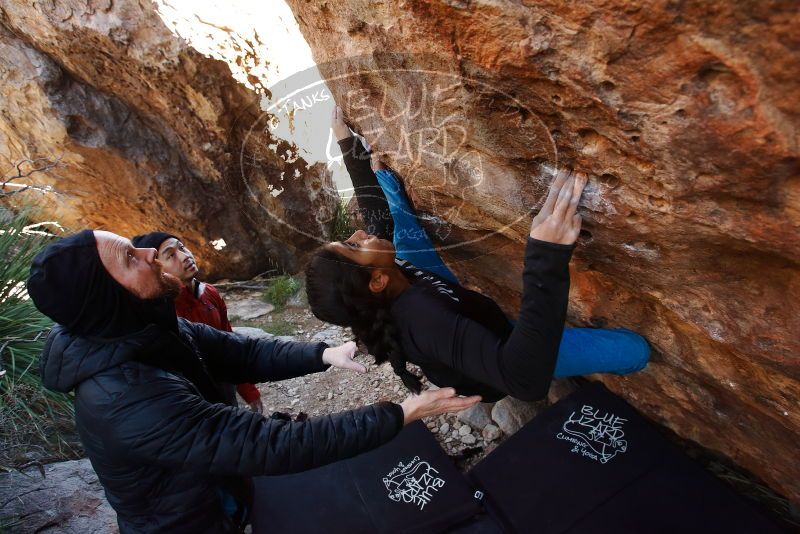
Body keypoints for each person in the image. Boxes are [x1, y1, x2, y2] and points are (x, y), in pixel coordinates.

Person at [27, 229, 480, 533]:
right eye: (130, 258)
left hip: (216, 488)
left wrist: (322, 354)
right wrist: (399, 414)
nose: (147, 253)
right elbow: (267, 444)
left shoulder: (138, 327)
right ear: (107, 296)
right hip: (189, 522)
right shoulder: (124, 396)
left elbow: (238, 351)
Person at [305, 107, 649, 403]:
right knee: (635, 351)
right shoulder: (426, 320)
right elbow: (524, 381)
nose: (357, 234)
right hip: (506, 351)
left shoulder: (387, 276)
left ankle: (389, 186)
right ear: (377, 280)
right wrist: (546, 254)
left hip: (445, 299)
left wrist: (349, 145)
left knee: (403, 234)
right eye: (352, 246)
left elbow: (375, 220)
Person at [131, 231, 263, 414]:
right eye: (171, 255)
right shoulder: (162, 312)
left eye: (182, 247)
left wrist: (249, 391)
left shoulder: (209, 293)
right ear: (156, 269)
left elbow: (230, 343)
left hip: (224, 384)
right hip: (191, 398)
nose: (185, 257)